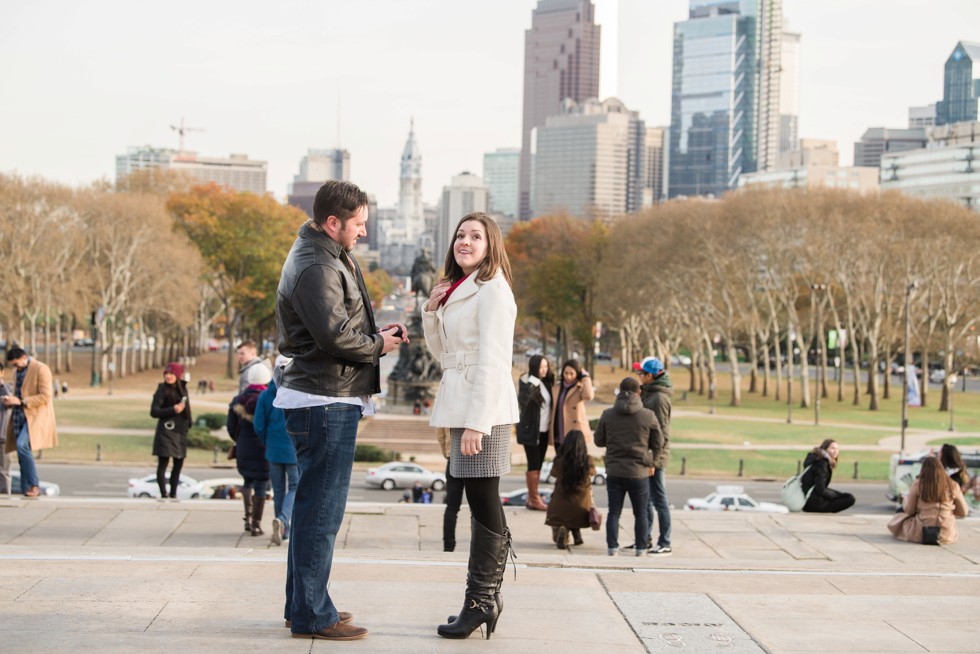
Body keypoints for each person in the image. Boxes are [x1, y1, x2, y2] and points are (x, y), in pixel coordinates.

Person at [274, 180, 405, 641]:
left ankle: (304, 605)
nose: (363, 232)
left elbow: (334, 325)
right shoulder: (316, 264)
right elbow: (333, 338)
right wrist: (379, 345)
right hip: (325, 398)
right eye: (359, 224)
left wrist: (375, 335)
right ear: (334, 223)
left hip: (324, 393)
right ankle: (313, 614)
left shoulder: (323, 253)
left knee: (313, 508)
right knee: (322, 513)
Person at [422, 211, 520, 640]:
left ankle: (480, 601)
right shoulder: (462, 289)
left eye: (475, 236)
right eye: (460, 235)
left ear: (490, 244)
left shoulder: (494, 291)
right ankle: (484, 599)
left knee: (483, 503)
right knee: (480, 503)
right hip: (465, 406)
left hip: (486, 411)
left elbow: (495, 364)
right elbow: (444, 354)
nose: (464, 241)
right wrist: (431, 310)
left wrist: (479, 424)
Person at [594, 377, 662, 557]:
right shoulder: (648, 415)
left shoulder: (608, 414)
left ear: (620, 390)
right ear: (639, 391)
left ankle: (612, 548)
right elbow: (658, 443)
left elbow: (598, 441)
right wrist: (651, 462)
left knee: (614, 512)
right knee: (640, 513)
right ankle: (640, 548)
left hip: (615, 470)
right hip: (639, 472)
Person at [254, 355, 298, 546]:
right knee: (295, 487)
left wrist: (267, 441)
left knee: (278, 488)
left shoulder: (266, 395)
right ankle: (283, 520)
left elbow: (258, 424)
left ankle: (281, 525)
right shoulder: (297, 393)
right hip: (294, 448)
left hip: (273, 449)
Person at [2, 348, 57, 497]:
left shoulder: (41, 368)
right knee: (21, 451)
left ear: (24, 357)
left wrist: (21, 401)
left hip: (36, 416)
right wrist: (10, 400)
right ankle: (26, 487)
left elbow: (46, 396)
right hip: (20, 415)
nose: (16, 367)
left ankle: (34, 485)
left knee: (22, 445)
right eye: (13, 365)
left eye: (17, 364)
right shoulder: (16, 373)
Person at [633, 356, 673, 555]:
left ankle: (665, 541)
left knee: (659, 499)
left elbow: (661, 433)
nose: (639, 376)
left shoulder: (658, 398)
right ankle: (644, 539)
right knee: (647, 499)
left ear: (650, 375)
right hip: (647, 454)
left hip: (654, 457)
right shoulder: (650, 392)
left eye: (641, 373)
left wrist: (654, 461)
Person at [228, 364, 273, 536]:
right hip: (263, 448)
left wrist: (238, 440)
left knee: (247, 481)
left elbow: (231, 427)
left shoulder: (237, 401)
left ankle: (247, 518)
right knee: (261, 484)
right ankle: (256, 524)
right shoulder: (268, 399)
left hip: (244, 447)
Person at [888, 456, 969, 544]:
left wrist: (905, 500)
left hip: (921, 533)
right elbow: (964, 512)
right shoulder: (953, 485)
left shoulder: (918, 484)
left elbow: (909, 511)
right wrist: (949, 511)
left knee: (898, 517)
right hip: (946, 534)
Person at [545, 430, 595, 549]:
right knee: (575, 513)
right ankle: (576, 534)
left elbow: (554, 474)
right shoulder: (588, 460)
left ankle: (564, 530)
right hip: (581, 506)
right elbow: (592, 474)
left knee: (561, 519)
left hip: (560, 503)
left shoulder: (559, 459)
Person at [517, 354, 553, 511]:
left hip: (544, 431)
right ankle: (534, 498)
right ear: (534, 367)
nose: (544, 370)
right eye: (541, 367)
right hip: (531, 431)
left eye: (546, 366)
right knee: (533, 464)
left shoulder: (547, 382)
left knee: (538, 464)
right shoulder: (526, 381)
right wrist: (533, 384)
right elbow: (523, 402)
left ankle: (533, 497)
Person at [150, 362, 191, 499]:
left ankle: (174, 493)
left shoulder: (183, 389)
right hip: (166, 430)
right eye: (166, 374)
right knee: (163, 463)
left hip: (180, 431)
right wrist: (172, 410)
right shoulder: (162, 389)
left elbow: (187, 408)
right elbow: (154, 411)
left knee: (178, 463)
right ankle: (164, 493)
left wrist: (189, 423)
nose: (168, 376)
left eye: (171, 374)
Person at [549, 359, 594, 453]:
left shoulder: (580, 387)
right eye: (566, 373)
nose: (568, 376)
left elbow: (589, 396)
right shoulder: (557, 386)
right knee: (560, 461)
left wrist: (585, 377)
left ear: (577, 374)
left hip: (574, 431)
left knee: (574, 462)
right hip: (558, 429)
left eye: (571, 373)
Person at [801, 439, 856, 513]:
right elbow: (820, 489)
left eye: (837, 449)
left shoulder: (817, 459)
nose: (835, 451)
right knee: (849, 499)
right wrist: (836, 496)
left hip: (809, 499)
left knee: (844, 496)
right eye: (832, 448)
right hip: (814, 503)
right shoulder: (822, 464)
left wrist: (837, 495)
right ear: (825, 449)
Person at [437, 426, 465, 552]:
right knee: (477, 508)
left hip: (453, 457)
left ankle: (448, 546)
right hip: (475, 456)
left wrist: (446, 452)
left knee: (451, 507)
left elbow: (440, 433)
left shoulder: (445, 405)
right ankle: (479, 546)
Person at [0, 362, 12, 495]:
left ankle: (4, 498)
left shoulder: (7, 388)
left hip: (3, 437)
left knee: (4, 472)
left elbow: (11, 400)